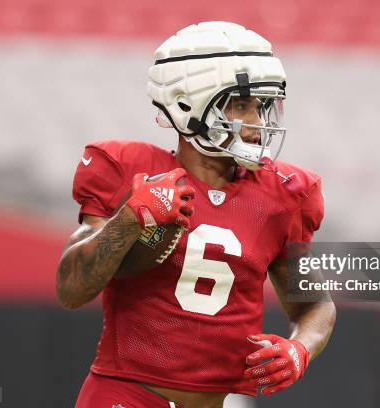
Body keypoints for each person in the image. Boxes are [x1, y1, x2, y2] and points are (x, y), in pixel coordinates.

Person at [56, 21, 336, 408]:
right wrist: (130, 217)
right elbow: (70, 289)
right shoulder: (129, 170)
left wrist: (300, 349)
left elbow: (315, 304)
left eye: (262, 104)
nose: (257, 122)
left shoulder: (283, 194)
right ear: (187, 104)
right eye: (240, 104)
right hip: (126, 397)